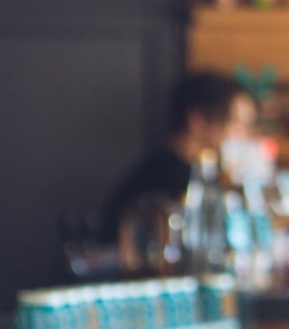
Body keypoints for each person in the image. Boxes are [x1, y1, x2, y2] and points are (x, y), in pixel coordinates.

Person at [101, 71, 257, 241]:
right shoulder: (166, 181)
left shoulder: (203, 174)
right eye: (238, 124)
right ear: (198, 121)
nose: (246, 136)